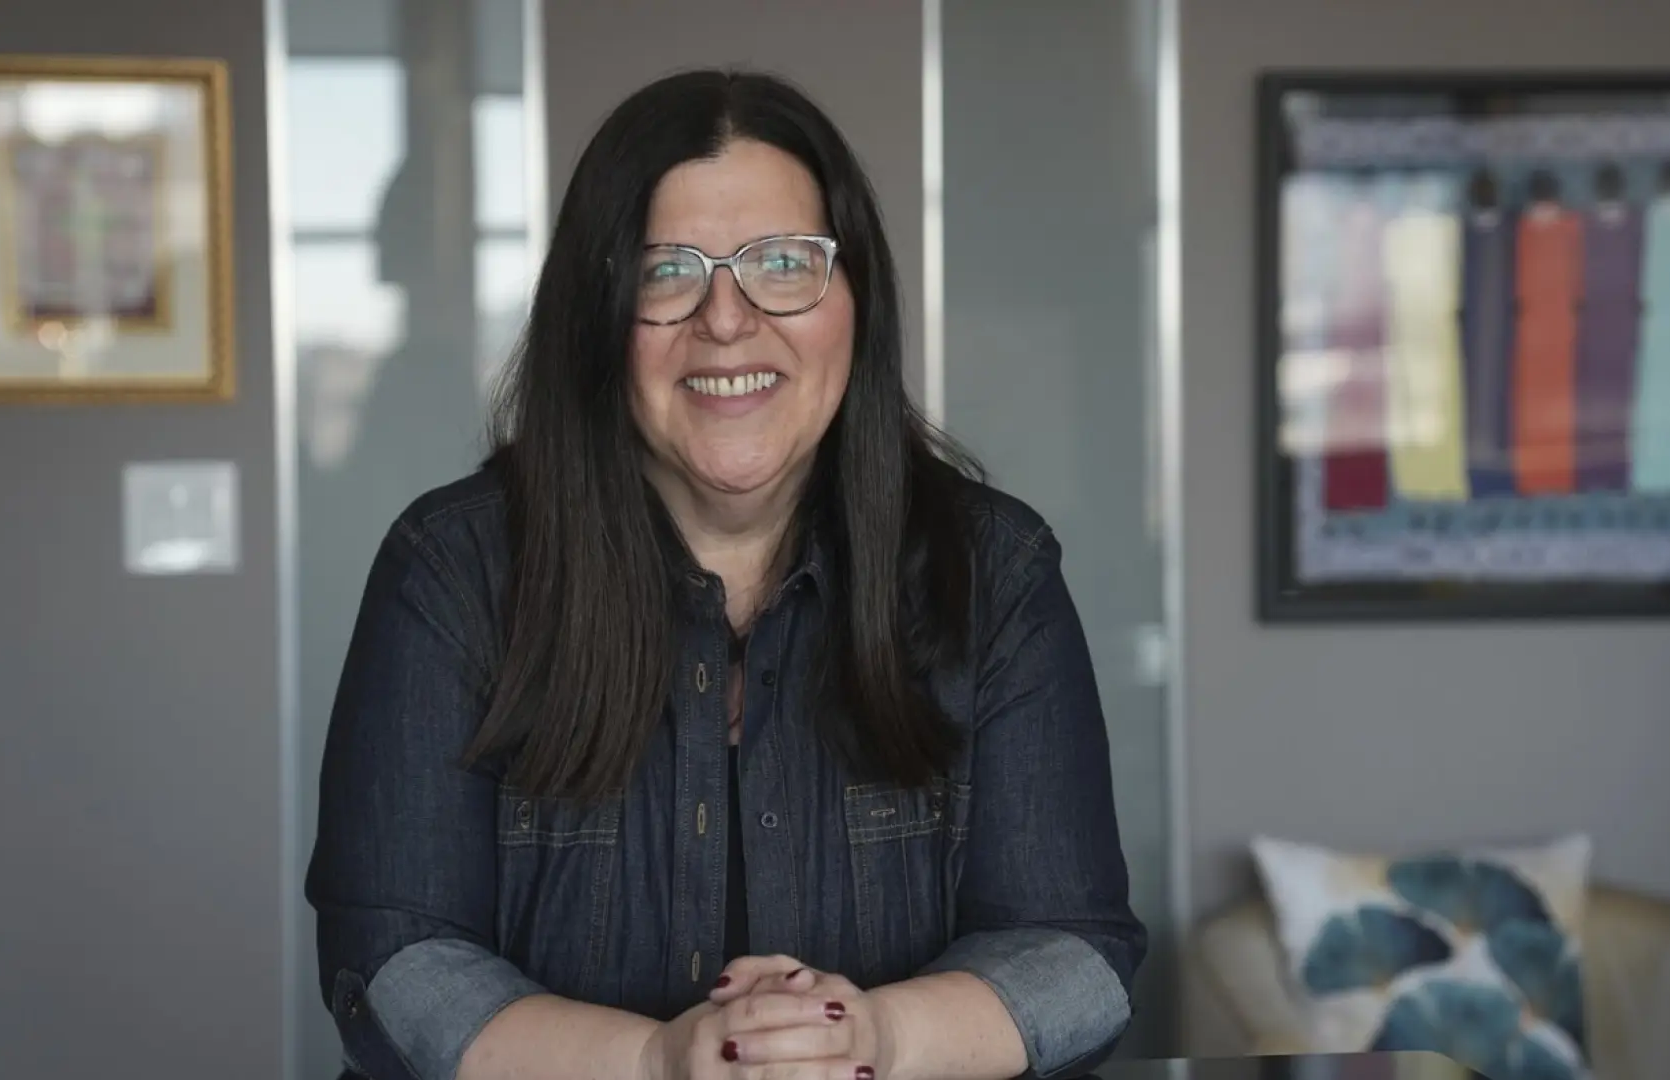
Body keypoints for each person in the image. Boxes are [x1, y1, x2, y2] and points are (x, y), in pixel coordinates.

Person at [307, 69, 1145, 1080]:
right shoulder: (452, 570)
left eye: (783, 263)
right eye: (668, 271)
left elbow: (1078, 959)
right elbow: (394, 961)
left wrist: (871, 1037)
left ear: (857, 299)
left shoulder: (995, 574)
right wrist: (656, 1061)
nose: (727, 318)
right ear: (597, 313)